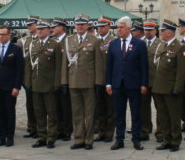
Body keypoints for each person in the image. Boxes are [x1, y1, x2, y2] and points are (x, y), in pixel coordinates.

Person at [62, 14, 106, 150]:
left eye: (82, 24)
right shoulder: (69, 40)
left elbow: (99, 63)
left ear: (88, 26)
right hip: (73, 81)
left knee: (89, 113)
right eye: (77, 24)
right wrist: (64, 82)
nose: (80, 27)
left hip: (88, 82)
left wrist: (99, 82)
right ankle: (78, 138)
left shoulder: (95, 40)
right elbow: (65, 63)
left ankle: (88, 140)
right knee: (77, 113)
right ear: (74, 26)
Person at [106, 16, 149, 150]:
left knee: (135, 113)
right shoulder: (113, 44)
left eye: (121, 27)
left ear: (129, 28)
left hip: (134, 84)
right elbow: (109, 66)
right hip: (118, 84)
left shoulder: (139, 44)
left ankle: (136, 139)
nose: (119, 30)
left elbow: (144, 66)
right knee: (119, 113)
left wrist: (144, 84)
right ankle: (119, 139)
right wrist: (108, 83)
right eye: (118, 27)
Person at [152, 20, 185, 152]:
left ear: (170, 32)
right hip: (159, 88)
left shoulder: (180, 47)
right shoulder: (161, 46)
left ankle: (175, 141)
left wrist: (177, 88)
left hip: (171, 88)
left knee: (174, 117)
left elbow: (181, 71)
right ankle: (166, 139)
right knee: (163, 117)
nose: (161, 33)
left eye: (163, 31)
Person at [27, 18, 62, 148]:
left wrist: (57, 83)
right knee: (39, 112)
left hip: (49, 84)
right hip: (36, 83)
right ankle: (42, 136)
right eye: (38, 29)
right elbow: (30, 65)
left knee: (51, 112)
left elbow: (58, 66)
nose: (39, 31)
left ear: (49, 30)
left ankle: (51, 136)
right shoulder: (33, 44)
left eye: (42, 29)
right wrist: (29, 82)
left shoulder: (55, 44)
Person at [0, 25, 24, 146]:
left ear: (9, 35)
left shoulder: (16, 49)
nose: (0, 37)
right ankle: (1, 136)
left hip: (9, 86)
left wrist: (16, 86)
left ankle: (10, 137)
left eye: (2, 35)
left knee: (9, 112)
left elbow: (19, 69)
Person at [93, 17, 117, 142]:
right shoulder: (96, 42)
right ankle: (101, 131)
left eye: (102, 26)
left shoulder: (113, 41)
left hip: (109, 80)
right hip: (97, 80)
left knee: (110, 108)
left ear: (108, 27)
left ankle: (109, 132)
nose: (100, 29)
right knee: (99, 108)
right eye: (99, 26)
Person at [18, 18, 40, 139]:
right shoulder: (25, 41)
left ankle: (40, 128)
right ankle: (31, 127)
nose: (29, 27)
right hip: (27, 78)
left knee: (39, 105)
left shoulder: (41, 41)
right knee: (30, 105)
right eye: (28, 25)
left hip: (38, 77)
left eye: (31, 25)